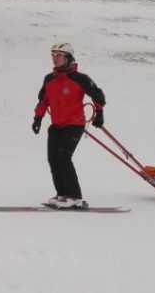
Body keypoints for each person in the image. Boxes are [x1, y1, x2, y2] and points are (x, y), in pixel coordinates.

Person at [32, 42, 106, 209]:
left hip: (74, 124)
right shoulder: (49, 79)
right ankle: (62, 194)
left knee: (64, 158)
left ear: (68, 58)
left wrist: (99, 113)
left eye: (59, 55)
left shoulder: (79, 78)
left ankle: (75, 197)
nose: (54, 58)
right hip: (56, 125)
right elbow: (43, 100)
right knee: (53, 159)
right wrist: (38, 118)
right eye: (53, 54)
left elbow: (98, 95)